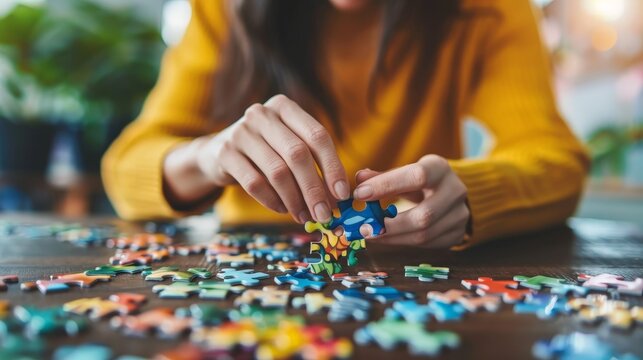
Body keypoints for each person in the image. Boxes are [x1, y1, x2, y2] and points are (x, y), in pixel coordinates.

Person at [102, 0, 589, 249]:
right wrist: (208, 156)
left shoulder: (488, 9)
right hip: (248, 280)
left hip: (418, 278)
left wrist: (473, 194)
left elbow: (555, 160)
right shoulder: (221, 7)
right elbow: (125, 166)